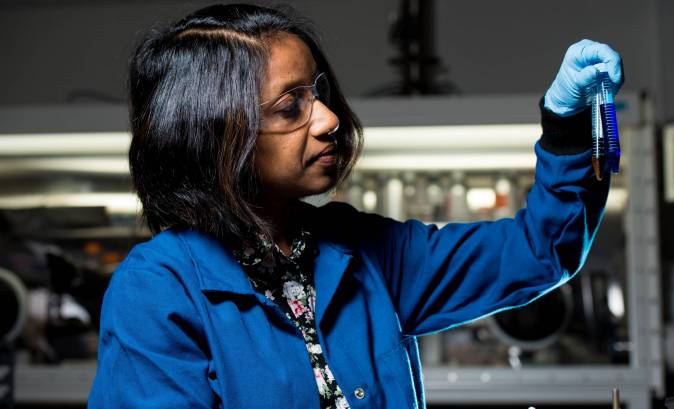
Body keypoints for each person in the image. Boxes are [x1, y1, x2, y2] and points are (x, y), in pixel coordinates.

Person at [88, 3, 623, 409]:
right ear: (210, 133)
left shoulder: (363, 251)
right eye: (290, 105)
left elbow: (537, 253)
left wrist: (566, 124)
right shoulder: (158, 289)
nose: (327, 119)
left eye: (318, 92)